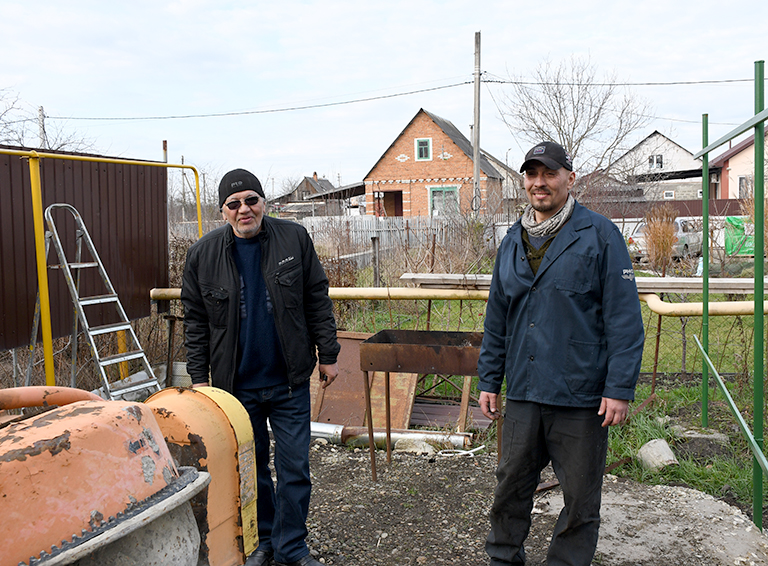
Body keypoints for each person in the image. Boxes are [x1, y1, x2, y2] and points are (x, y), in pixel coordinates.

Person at [477, 141, 645, 566]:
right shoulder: (512, 241)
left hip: (580, 394)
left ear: (569, 178)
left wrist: (619, 388)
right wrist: (488, 380)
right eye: (532, 175)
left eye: (549, 174)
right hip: (524, 392)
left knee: (580, 499)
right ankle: (502, 558)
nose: (539, 183)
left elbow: (624, 318)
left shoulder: (600, 235)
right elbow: (498, 317)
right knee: (510, 488)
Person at [181, 168, 340, 566]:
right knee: (251, 472)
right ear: (223, 212)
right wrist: (200, 381)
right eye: (234, 204)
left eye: (251, 200)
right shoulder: (202, 255)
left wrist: (330, 354)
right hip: (236, 388)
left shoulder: (293, 238)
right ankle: (263, 542)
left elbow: (315, 296)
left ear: (264, 202)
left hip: (288, 382)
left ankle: (292, 549)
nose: (244, 209)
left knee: (294, 469)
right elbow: (196, 322)